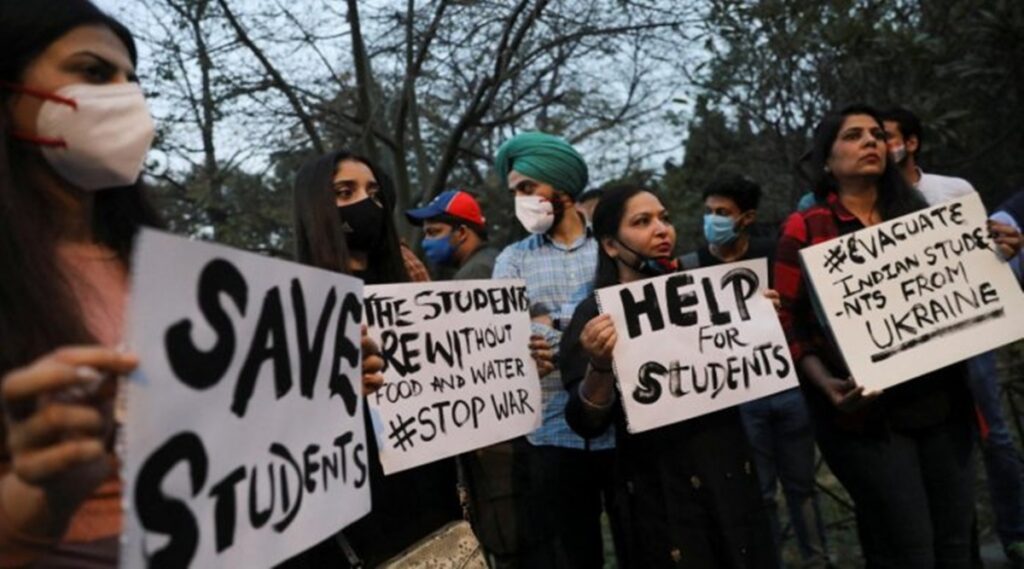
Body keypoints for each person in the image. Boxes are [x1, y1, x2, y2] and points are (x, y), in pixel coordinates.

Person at [0, 4, 385, 565]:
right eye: (93, 72)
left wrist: (324, 385)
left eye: (133, 79)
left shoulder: (172, 275)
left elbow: (238, 443)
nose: (125, 96)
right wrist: (40, 488)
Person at [775, 104, 999, 568]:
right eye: (854, 136)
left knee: (956, 543)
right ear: (826, 159)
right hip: (869, 417)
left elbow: (971, 293)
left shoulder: (922, 215)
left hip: (944, 404)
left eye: (877, 134)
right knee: (910, 546)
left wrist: (997, 255)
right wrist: (825, 384)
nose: (871, 142)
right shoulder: (806, 227)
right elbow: (788, 321)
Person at [561, 184, 775, 568]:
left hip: (727, 463)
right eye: (642, 222)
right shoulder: (594, 315)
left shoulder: (708, 291)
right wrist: (599, 364)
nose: (662, 230)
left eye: (665, 218)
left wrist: (758, 321)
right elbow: (586, 421)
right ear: (610, 246)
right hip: (655, 483)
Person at [289, 150, 460, 566]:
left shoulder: (410, 292)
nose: (366, 204)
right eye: (344, 192)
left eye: (375, 194)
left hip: (433, 506)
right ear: (314, 208)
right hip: (356, 520)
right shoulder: (293, 306)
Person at [883, 107, 1024, 566]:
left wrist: (1006, 248)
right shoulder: (873, 203)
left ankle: (1015, 533)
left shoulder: (954, 191)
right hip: (914, 346)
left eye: (887, 136)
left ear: (912, 141)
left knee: (995, 436)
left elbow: (987, 256)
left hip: (969, 334)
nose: (880, 146)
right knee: (943, 444)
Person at [681, 176, 830, 568]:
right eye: (709, 212)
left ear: (746, 218)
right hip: (739, 398)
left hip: (788, 388)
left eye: (722, 213)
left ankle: (818, 559)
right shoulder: (691, 267)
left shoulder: (772, 254)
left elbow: (801, 309)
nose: (712, 220)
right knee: (760, 492)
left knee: (803, 487)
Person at [490, 131, 621, 568]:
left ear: (561, 187)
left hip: (623, 429)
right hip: (549, 436)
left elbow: (629, 315)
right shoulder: (512, 260)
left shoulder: (611, 246)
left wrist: (550, 323)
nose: (521, 200)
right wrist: (578, 326)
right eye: (515, 193)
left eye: (528, 188)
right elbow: (503, 336)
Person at [405, 189, 499, 280]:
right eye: (425, 234)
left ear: (462, 233)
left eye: (433, 232)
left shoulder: (475, 272)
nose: (425, 242)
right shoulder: (493, 259)